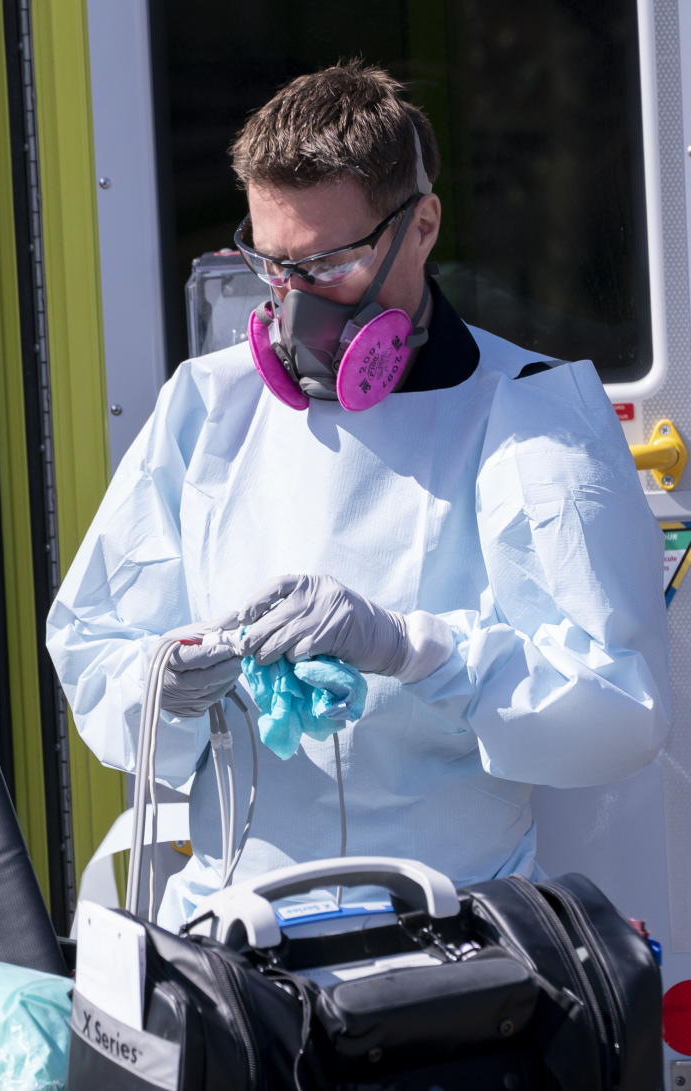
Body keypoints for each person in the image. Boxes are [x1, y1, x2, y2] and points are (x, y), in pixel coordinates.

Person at [46, 62, 670, 930]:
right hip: (236, 934)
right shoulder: (208, 404)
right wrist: (165, 681)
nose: (292, 305)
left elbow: (620, 712)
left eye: (327, 265)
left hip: (452, 941)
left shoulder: (530, 415)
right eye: (272, 265)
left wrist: (418, 650)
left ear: (422, 226)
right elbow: (93, 641)